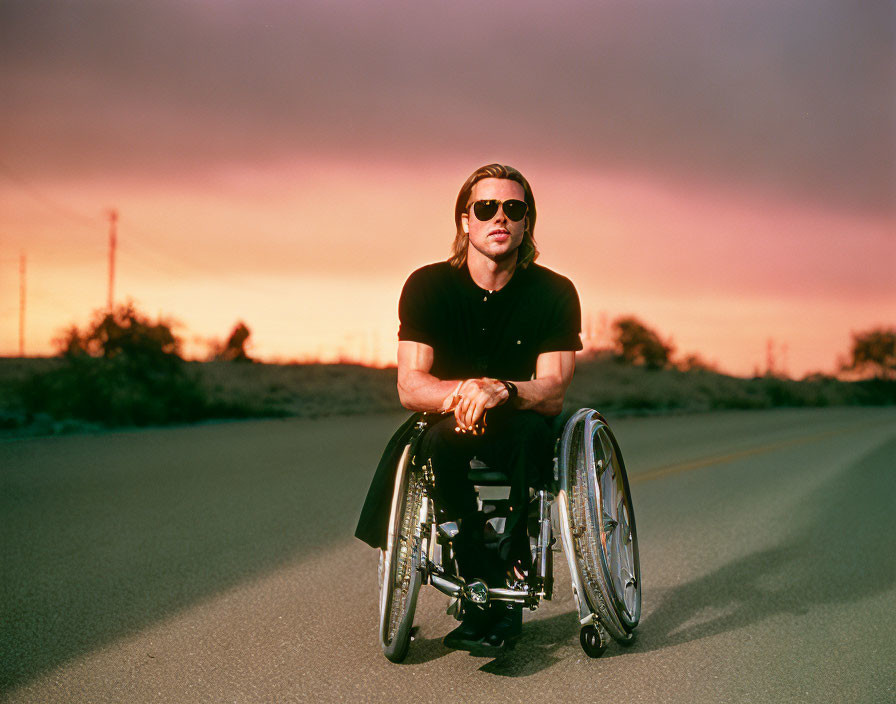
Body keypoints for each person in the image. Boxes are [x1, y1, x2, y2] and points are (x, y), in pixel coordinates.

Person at [356, 163, 582, 654]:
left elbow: (554, 390)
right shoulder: (428, 286)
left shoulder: (554, 292)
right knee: (435, 443)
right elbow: (411, 386)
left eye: (513, 208)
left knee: (529, 440)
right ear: (465, 220)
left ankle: (509, 583)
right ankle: (476, 574)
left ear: (527, 221)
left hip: (522, 421)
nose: (499, 217)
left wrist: (501, 389)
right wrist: (468, 393)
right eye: (486, 208)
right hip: (450, 421)